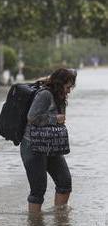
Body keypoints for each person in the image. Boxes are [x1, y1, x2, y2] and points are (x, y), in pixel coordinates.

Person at [20, 68, 77, 213]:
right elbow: (31, 118)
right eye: (68, 87)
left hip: (51, 145)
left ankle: (60, 221)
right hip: (33, 146)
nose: (69, 91)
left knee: (64, 182)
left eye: (71, 87)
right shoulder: (45, 94)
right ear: (59, 84)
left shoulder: (60, 97)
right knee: (38, 190)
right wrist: (54, 119)